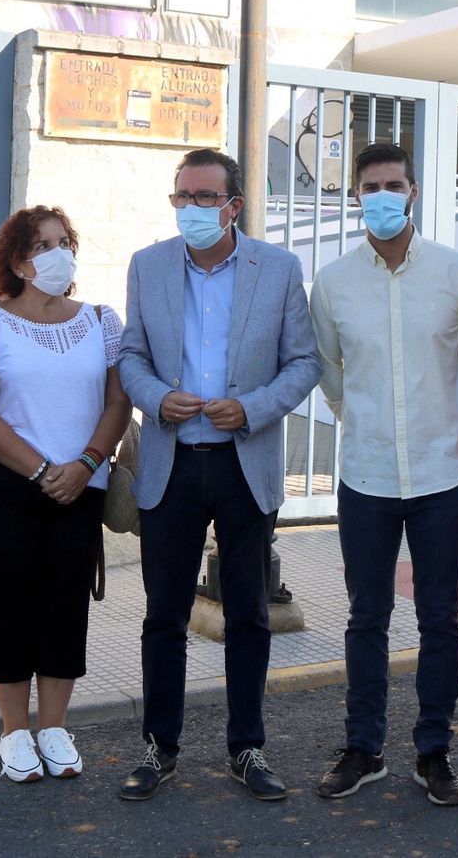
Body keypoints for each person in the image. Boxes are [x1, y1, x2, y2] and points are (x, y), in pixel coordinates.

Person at [115, 148, 320, 802]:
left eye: (205, 198)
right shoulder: (147, 266)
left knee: (250, 615)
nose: (191, 210)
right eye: (182, 197)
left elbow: (304, 363)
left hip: (243, 462)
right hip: (171, 465)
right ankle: (159, 746)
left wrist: (253, 408)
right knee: (163, 616)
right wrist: (153, 397)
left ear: (233, 205)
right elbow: (131, 355)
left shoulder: (279, 269)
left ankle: (247, 747)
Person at [308, 142, 458, 807]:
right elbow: (331, 374)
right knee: (366, 616)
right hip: (366, 475)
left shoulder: (457, 273)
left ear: (414, 191)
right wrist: (369, 422)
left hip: (442, 474)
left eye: (394, 184)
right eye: (370, 187)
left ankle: (433, 750)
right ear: (355, 197)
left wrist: (447, 418)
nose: (382, 196)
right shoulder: (332, 283)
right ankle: (364, 747)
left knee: (441, 618)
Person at [0, 205, 131, 783]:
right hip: (10, 483)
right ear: (16, 261)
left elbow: (117, 402)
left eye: (65, 241)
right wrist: (41, 471)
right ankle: (14, 731)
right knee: (9, 605)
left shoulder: (102, 321)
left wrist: (84, 464)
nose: (58, 253)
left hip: (81, 485)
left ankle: (55, 725)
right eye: (42, 245)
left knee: (66, 605)